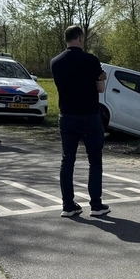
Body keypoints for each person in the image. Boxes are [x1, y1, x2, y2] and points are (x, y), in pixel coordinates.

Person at [50, 25, 110, 218]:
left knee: (67, 161)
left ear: (66, 39)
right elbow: (100, 89)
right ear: (81, 38)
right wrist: (101, 78)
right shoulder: (91, 60)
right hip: (89, 115)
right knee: (95, 161)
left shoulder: (55, 62)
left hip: (66, 115)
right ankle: (96, 205)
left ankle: (68, 205)